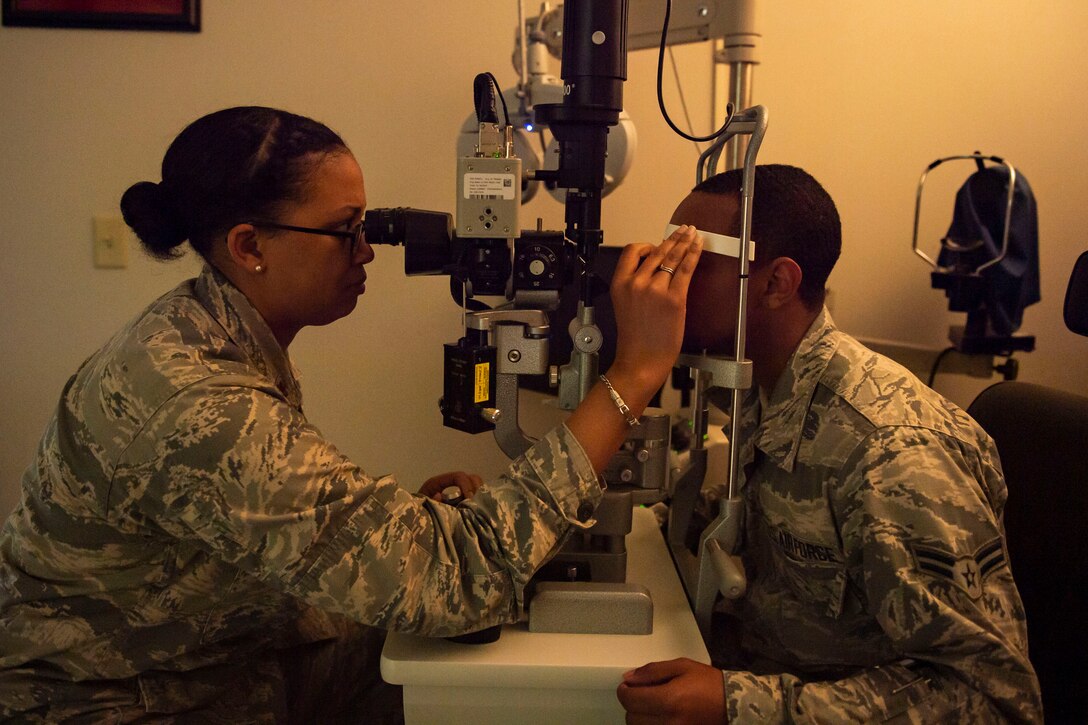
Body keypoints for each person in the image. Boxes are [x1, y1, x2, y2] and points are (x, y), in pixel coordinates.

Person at [0, 106, 703, 723]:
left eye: (368, 224)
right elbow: (459, 579)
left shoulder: (206, 328)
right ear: (250, 247)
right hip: (126, 700)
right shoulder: (200, 405)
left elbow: (272, 519)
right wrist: (633, 373)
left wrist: (403, 527)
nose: (368, 251)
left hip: (208, 654)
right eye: (345, 231)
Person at [616, 165, 1043, 723]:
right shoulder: (761, 393)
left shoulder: (890, 452)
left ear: (775, 284)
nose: (664, 279)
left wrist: (741, 705)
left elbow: (993, 702)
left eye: (690, 260)